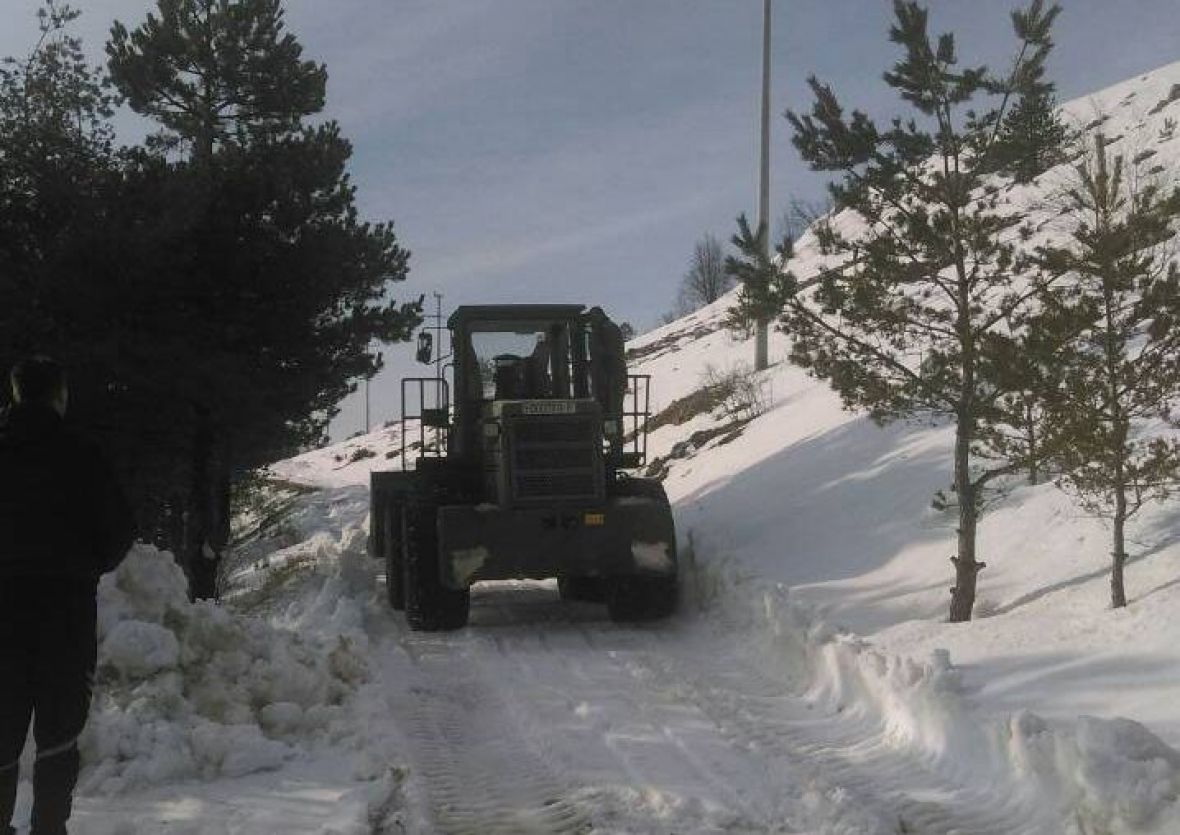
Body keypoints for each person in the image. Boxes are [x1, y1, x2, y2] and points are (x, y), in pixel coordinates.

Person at [0, 357, 135, 835]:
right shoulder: (83, 454)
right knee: (58, 736)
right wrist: (82, 567)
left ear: (16, 395)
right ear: (60, 395)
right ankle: (48, 829)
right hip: (65, 614)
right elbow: (119, 532)